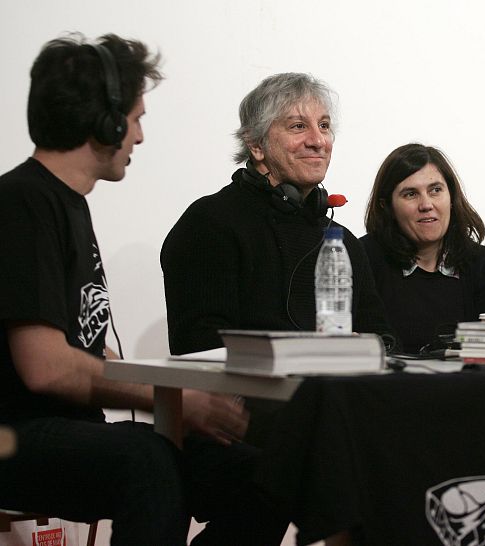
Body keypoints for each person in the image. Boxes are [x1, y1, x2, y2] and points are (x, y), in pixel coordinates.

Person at [0, 33, 283, 545]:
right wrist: (168, 399)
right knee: (148, 461)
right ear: (104, 120)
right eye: (135, 119)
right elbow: (46, 367)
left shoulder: (66, 204)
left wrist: (184, 401)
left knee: (263, 473)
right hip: (16, 433)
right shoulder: (22, 202)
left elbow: (83, 347)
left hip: (65, 431)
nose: (139, 136)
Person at [160, 72, 390, 356]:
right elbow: (199, 346)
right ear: (256, 145)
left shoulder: (343, 243)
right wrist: (314, 354)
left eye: (324, 126)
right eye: (298, 126)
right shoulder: (209, 223)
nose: (318, 141)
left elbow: (384, 339)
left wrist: (367, 347)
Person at [362, 143, 485, 353]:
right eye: (410, 194)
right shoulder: (363, 258)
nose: (426, 205)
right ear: (387, 207)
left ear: (451, 197)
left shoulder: (482, 264)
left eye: (435, 190)